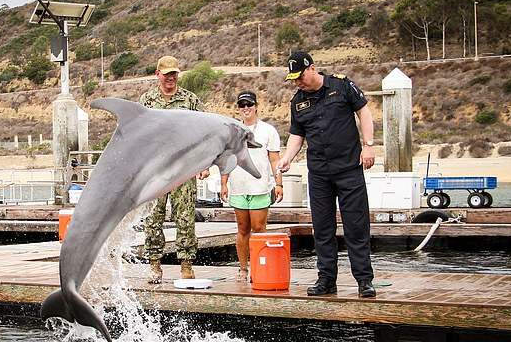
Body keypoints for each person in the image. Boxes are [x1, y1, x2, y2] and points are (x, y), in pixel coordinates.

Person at [276, 51, 377, 298]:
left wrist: (369, 145)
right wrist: (287, 157)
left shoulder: (341, 85)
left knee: (356, 225)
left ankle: (364, 280)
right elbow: (297, 134)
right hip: (319, 173)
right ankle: (326, 279)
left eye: (300, 76)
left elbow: (363, 112)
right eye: (294, 79)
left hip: (349, 169)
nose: (297, 82)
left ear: (312, 68)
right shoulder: (297, 101)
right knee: (322, 228)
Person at [139, 55, 210, 284]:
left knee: (185, 216)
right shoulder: (147, 100)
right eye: (166, 73)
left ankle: (186, 264)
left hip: (184, 168)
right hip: (155, 170)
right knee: (153, 217)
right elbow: (138, 135)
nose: (171, 78)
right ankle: (154, 265)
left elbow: (204, 132)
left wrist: (204, 163)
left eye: (174, 74)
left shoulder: (190, 100)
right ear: (157, 74)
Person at [220, 91, 283, 282]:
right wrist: (224, 183)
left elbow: (274, 160)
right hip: (239, 186)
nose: (246, 108)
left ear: (256, 106)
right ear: (238, 109)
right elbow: (226, 159)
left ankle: (259, 266)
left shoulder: (268, 130)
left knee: (259, 227)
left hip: (260, 187)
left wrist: (278, 183)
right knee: (242, 228)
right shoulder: (232, 131)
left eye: (249, 104)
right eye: (242, 105)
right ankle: (243, 268)